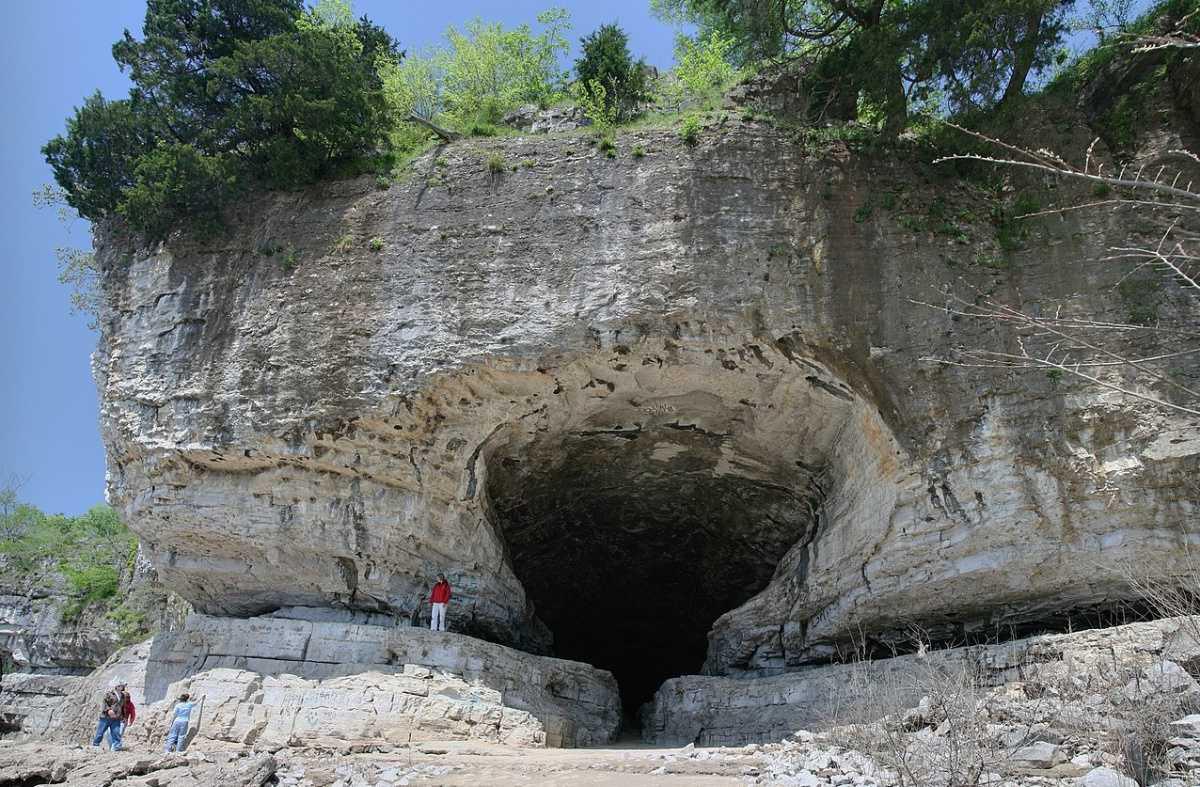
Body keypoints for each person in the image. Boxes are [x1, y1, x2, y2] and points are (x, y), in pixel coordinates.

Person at [92, 682, 127, 750]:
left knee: (116, 732)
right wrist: (108, 710)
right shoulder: (109, 694)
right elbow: (105, 703)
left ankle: (116, 746)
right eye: (119, 686)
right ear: (116, 686)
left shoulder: (122, 696)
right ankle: (95, 745)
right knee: (100, 731)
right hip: (106, 717)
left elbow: (122, 707)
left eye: (122, 686)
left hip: (116, 717)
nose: (121, 687)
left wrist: (123, 717)